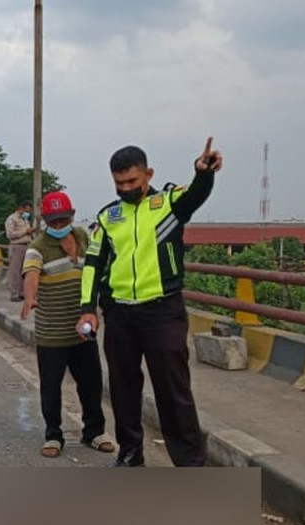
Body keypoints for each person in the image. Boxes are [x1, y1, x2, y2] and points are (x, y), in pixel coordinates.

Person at [77, 139, 223, 468]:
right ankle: (130, 454)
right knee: (123, 388)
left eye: (132, 181)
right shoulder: (109, 217)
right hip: (120, 314)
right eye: (119, 183)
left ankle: (189, 463)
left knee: (173, 392)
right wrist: (88, 308)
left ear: (148, 174)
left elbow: (196, 195)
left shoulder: (168, 204)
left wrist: (204, 174)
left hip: (162, 312)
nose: (126, 188)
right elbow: (92, 263)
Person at [21, 191, 116, 458]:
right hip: (52, 331)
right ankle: (53, 435)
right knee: (51, 386)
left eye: (63, 221)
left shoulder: (84, 238)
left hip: (83, 327)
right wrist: (30, 297)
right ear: (45, 220)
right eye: (53, 222)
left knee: (91, 383)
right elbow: (31, 273)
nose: (59, 226)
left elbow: (98, 266)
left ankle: (94, 432)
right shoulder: (37, 247)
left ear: (72, 216)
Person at [4, 200, 35, 301]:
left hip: (27, 245)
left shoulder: (25, 220)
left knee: (24, 271)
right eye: (27, 210)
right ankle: (14, 294)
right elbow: (10, 234)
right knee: (15, 271)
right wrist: (25, 231)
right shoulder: (12, 219)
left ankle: (22, 292)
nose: (28, 213)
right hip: (17, 246)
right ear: (21, 208)